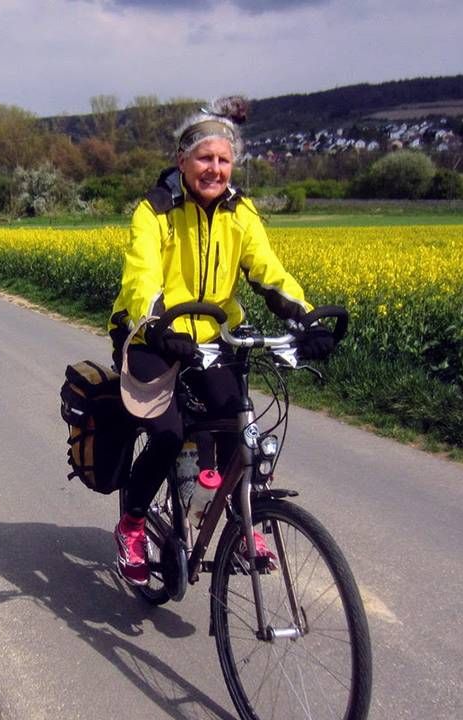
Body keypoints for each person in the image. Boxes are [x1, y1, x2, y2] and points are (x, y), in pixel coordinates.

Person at [107, 96, 336, 586]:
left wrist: (307, 318)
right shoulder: (156, 210)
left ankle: (244, 519)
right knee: (168, 432)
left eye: (224, 160)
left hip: (212, 337)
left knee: (239, 427)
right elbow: (141, 278)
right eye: (205, 158)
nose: (215, 169)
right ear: (182, 160)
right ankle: (131, 525)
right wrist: (159, 323)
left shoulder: (240, 212)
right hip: (151, 334)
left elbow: (268, 273)